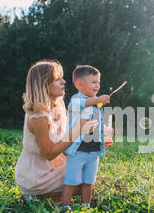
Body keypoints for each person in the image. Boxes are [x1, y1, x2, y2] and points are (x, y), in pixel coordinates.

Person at [15, 60, 98, 203]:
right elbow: (49, 154)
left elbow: (64, 142)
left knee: (88, 178)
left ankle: (49, 195)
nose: (64, 82)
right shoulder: (38, 116)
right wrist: (77, 130)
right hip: (38, 173)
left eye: (62, 77)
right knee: (84, 184)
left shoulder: (57, 107)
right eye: (57, 79)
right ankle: (36, 194)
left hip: (55, 164)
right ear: (43, 84)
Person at [61, 65, 111, 210]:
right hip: (77, 151)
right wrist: (97, 100)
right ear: (79, 84)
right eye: (93, 82)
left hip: (93, 151)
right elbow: (82, 105)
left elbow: (97, 124)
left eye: (98, 82)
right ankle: (65, 206)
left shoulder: (97, 103)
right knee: (71, 180)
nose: (97, 85)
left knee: (89, 181)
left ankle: (85, 206)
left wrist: (106, 133)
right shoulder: (76, 100)